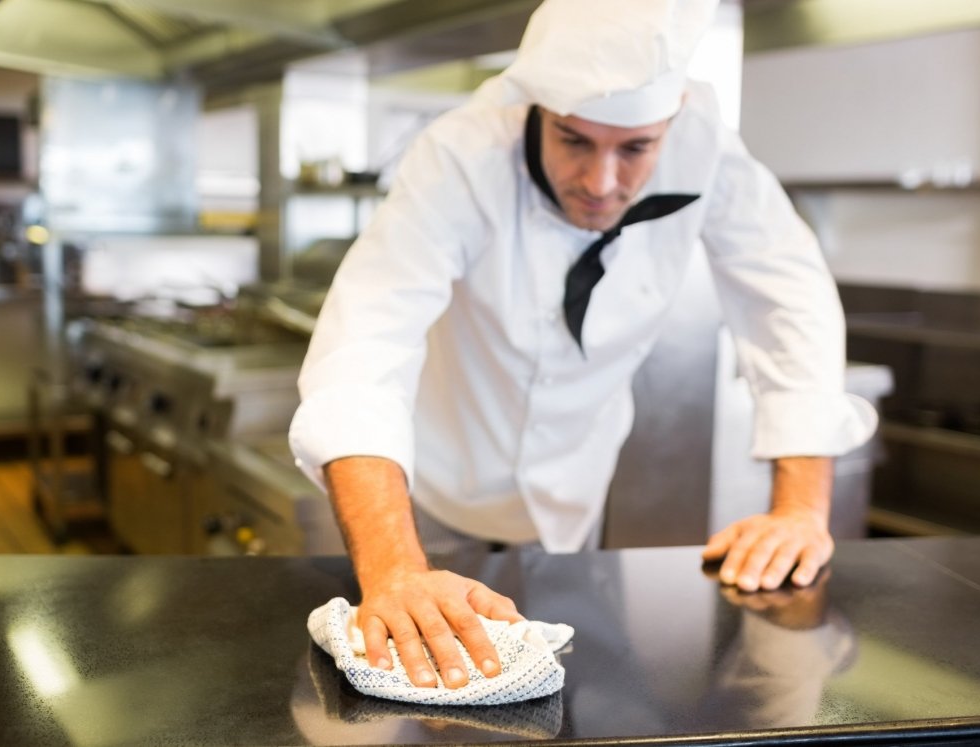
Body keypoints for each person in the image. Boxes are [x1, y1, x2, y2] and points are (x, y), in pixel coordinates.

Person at [288, 0, 876, 692]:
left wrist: (799, 508)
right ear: (535, 110)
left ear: (673, 118)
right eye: (573, 139)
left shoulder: (706, 144)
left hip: (572, 504)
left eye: (636, 149)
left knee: (569, 702)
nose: (601, 183)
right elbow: (367, 341)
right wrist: (395, 568)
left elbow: (789, 293)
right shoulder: (462, 153)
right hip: (427, 498)